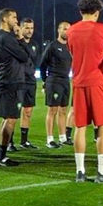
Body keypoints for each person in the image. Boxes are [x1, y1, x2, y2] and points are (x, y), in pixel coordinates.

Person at [67, 0, 103, 183]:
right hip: (98, 82)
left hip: (79, 83)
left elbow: (73, 52)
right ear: (97, 12)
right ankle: (102, 171)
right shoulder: (101, 29)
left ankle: (80, 171)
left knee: (80, 127)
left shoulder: (71, 30)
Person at [0, 8, 32, 167]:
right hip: (11, 82)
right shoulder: (5, 38)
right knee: (11, 119)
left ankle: (1, 154)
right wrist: (21, 38)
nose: (16, 21)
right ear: (4, 19)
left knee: (8, 118)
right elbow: (24, 56)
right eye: (14, 18)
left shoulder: (4, 36)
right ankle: (0, 156)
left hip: (10, 81)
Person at [39, 21, 72, 149]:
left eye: (69, 29)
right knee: (52, 110)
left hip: (65, 80)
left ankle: (63, 137)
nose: (67, 32)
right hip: (54, 80)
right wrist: (45, 80)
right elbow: (43, 64)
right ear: (59, 30)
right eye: (64, 29)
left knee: (63, 109)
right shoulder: (52, 46)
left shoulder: (70, 46)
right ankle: (50, 139)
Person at [18, 18, 39, 149]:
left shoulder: (34, 44)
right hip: (19, 80)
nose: (29, 30)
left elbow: (33, 57)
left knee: (28, 111)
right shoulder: (16, 43)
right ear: (20, 28)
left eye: (31, 28)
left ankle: (24, 141)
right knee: (14, 113)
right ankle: (9, 142)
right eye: (26, 28)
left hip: (30, 81)